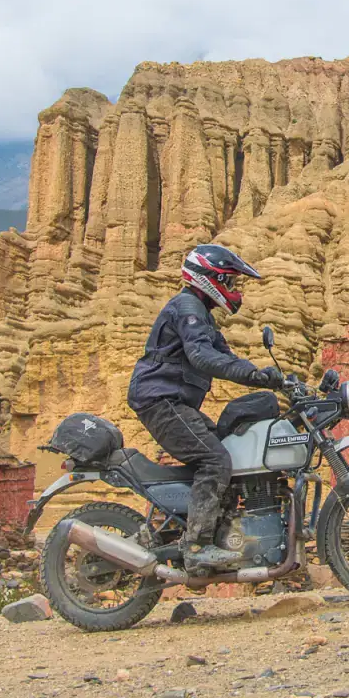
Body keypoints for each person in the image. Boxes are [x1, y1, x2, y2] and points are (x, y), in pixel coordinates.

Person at [127, 245, 285, 572]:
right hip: (160, 400)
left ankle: (208, 534)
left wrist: (270, 378)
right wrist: (253, 374)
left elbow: (226, 357)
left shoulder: (202, 316)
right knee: (215, 459)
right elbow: (202, 357)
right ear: (210, 279)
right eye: (228, 283)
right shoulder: (187, 307)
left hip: (172, 401)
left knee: (227, 454)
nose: (233, 291)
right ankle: (197, 546)